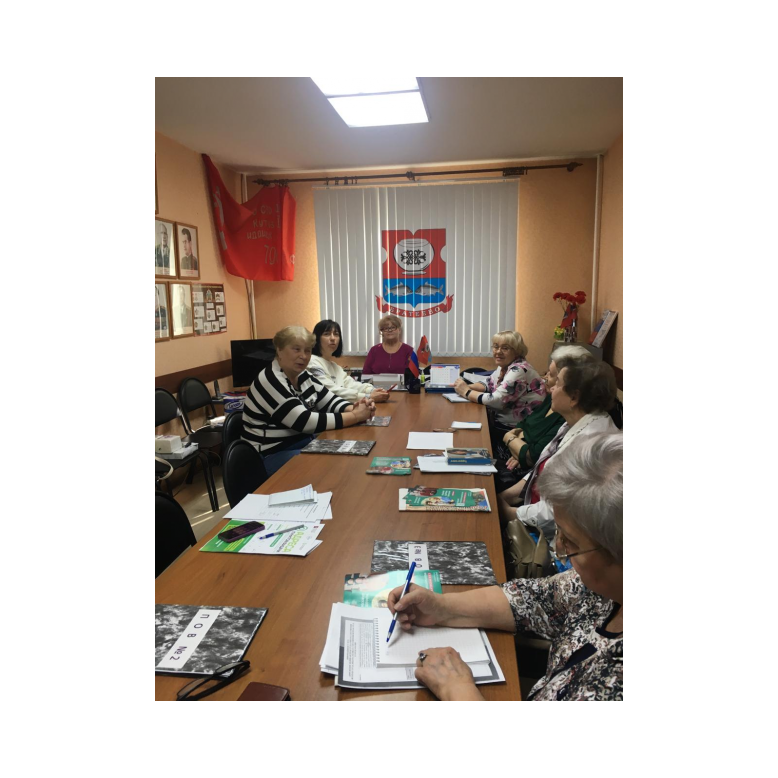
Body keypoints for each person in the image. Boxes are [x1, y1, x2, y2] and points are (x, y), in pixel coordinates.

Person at [387, 432, 623, 701]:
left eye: (570, 540)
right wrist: (441, 607)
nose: (559, 547)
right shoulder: (599, 590)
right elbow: (533, 598)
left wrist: (457, 691)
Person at [497, 360, 618, 539]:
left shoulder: (590, 447)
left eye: (558, 383)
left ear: (574, 397)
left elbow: (555, 512)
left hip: (551, 536)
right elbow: (541, 470)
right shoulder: (575, 421)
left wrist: (509, 513)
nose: (552, 388)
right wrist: (505, 496)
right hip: (531, 511)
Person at [242, 326, 376, 475]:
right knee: (328, 467)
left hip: (299, 442)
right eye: (296, 349)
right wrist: (356, 416)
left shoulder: (302, 375)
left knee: (345, 458)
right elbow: (305, 421)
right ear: (279, 350)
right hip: (269, 455)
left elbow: (329, 400)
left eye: (307, 350)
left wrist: (356, 407)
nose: (303, 356)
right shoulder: (270, 380)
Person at [497, 346, 595, 487]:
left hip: (525, 472)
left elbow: (533, 456)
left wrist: (509, 438)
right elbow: (523, 423)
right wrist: (518, 450)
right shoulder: (551, 398)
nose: (545, 377)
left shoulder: (566, 414)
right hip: (513, 457)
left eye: (552, 375)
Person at [452, 331, 546, 444]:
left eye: (505, 348)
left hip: (516, 431)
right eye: (496, 347)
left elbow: (496, 400)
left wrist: (466, 392)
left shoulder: (519, 369)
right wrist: (464, 386)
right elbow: (488, 383)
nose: (498, 352)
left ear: (517, 351)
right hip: (501, 424)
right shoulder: (505, 365)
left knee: (467, 439)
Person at [307, 320, 391, 403]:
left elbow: (351, 384)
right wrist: (368, 396)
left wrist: (372, 390)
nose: (332, 338)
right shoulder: (312, 362)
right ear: (316, 339)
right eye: (327, 334)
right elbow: (330, 391)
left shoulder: (334, 366)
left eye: (336, 334)